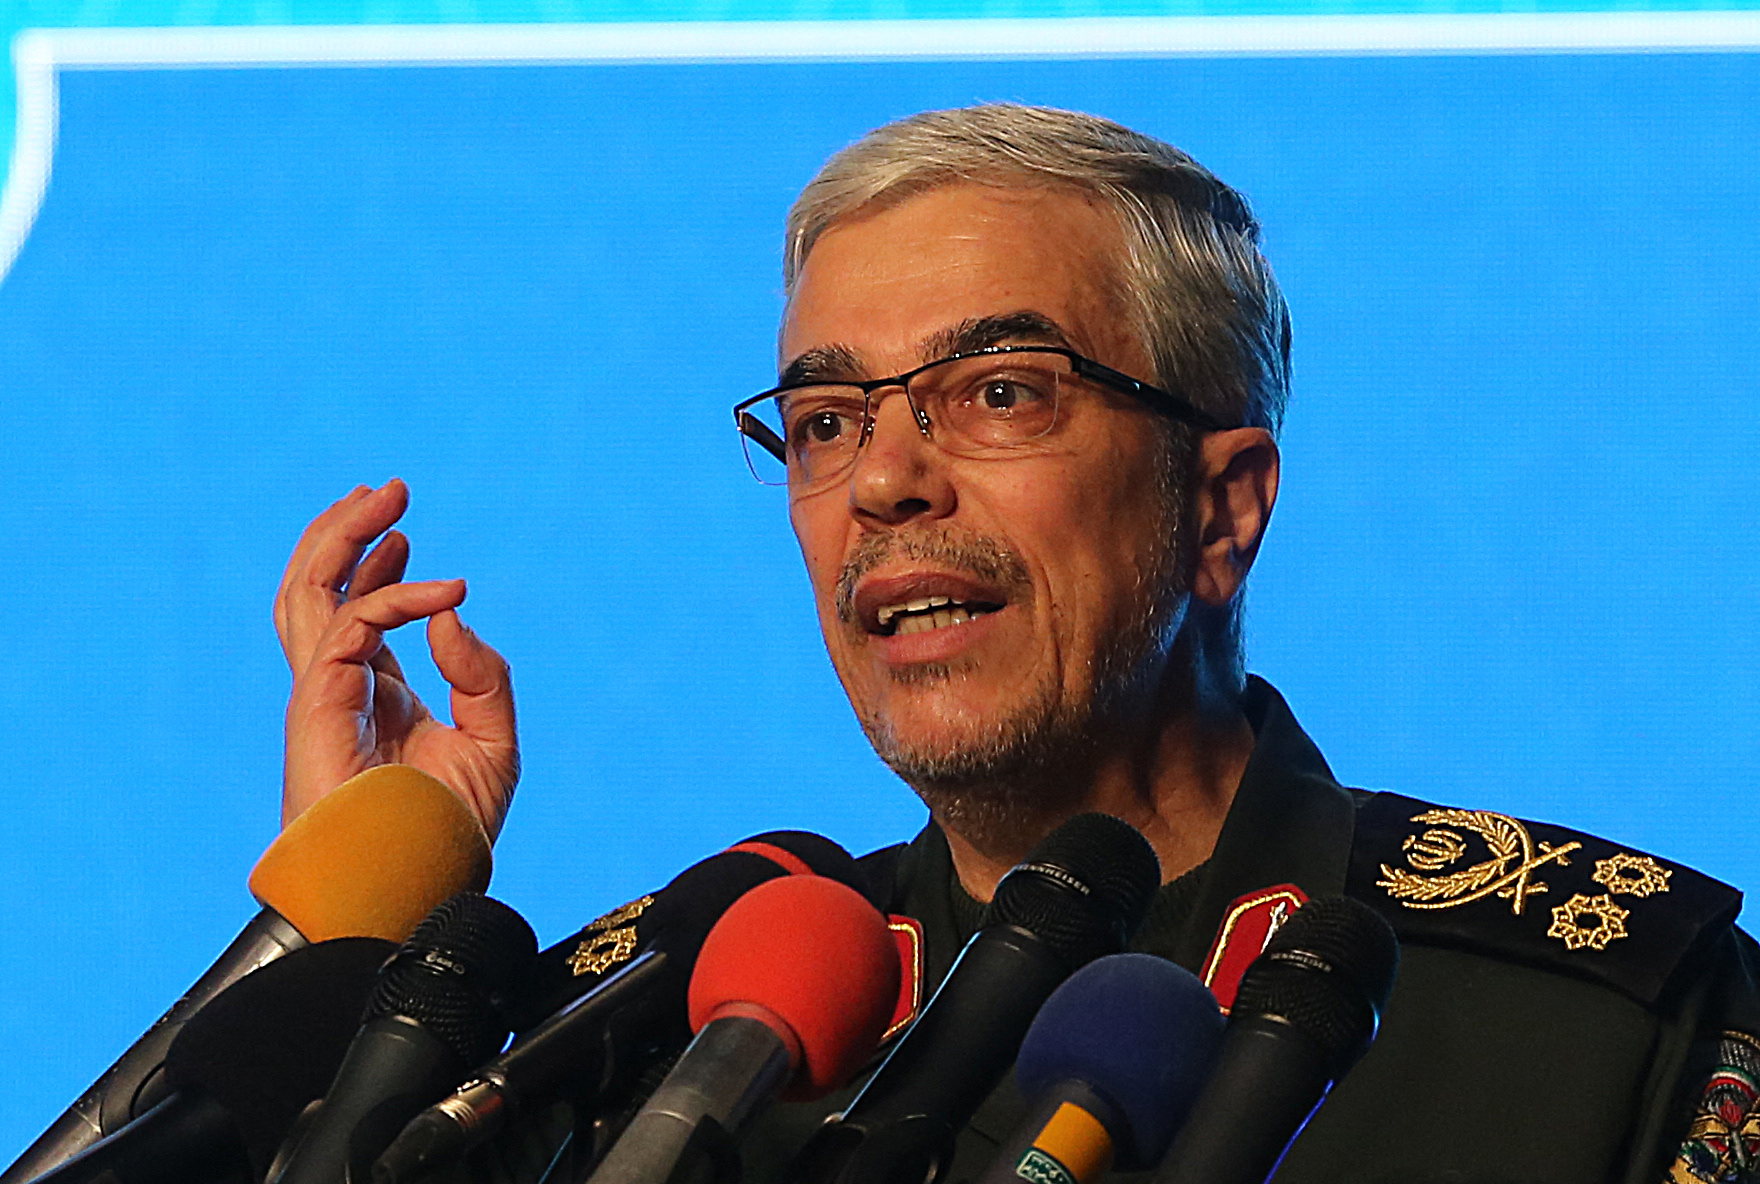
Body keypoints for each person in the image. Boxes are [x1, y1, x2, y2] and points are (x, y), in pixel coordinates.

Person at [273, 105, 1759, 1183]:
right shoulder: (660, 1044)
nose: (881, 479)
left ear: (1221, 506)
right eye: (826, 419)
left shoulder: (1595, 1027)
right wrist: (357, 938)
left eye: (998, 393)